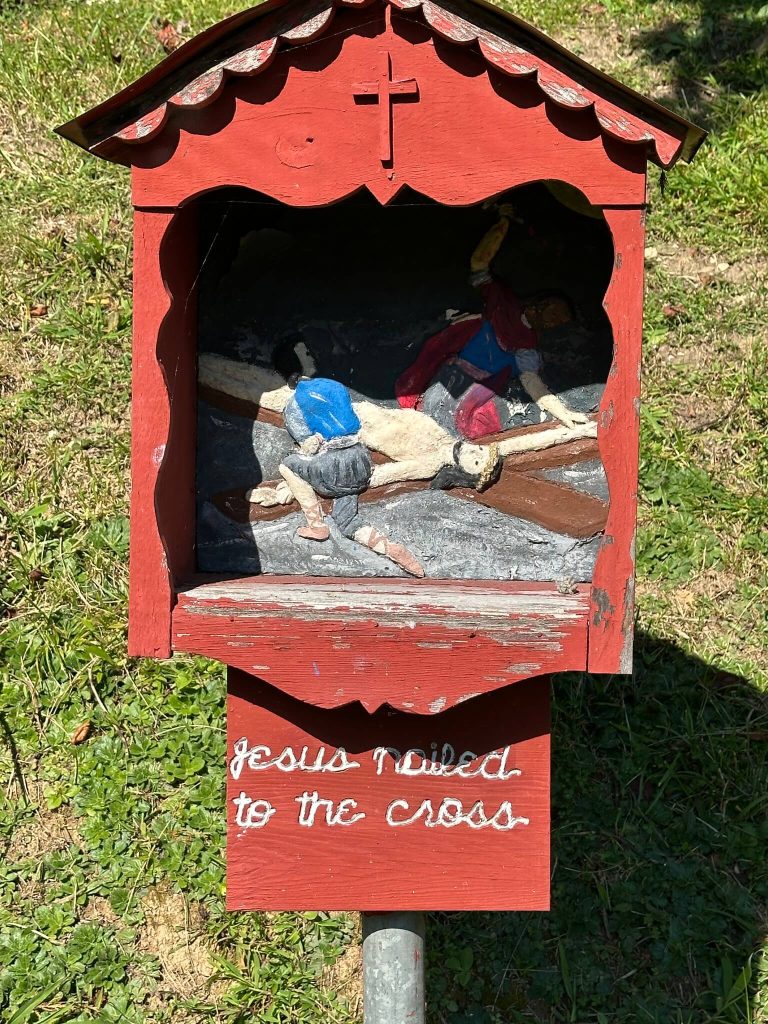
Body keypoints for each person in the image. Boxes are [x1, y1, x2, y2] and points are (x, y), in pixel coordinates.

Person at [395, 205, 591, 439]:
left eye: (558, 322)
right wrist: (503, 223)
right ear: (539, 306)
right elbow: (479, 264)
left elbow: (533, 384)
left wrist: (562, 412)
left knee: (453, 427)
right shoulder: (501, 301)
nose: (554, 322)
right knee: (428, 413)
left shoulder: (526, 347)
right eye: (554, 314)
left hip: (477, 391)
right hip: (452, 372)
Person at [261, 340, 426, 577]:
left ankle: (316, 525)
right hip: (359, 461)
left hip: (332, 467)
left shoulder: (294, 404)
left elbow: (309, 446)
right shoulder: (337, 387)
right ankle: (390, 548)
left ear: (282, 373)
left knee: (288, 464)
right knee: (346, 521)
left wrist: (310, 447)